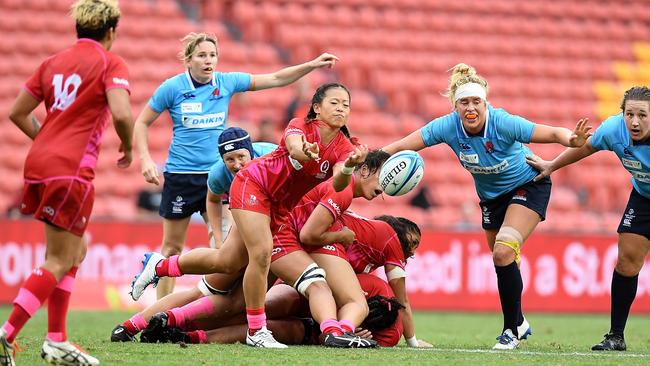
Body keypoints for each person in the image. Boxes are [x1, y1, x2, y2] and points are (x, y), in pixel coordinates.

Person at [130, 83, 368, 348]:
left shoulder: (346, 147)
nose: (340, 108)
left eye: (345, 105)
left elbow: (337, 183)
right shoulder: (300, 124)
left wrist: (348, 167)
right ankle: (257, 331)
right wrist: (305, 152)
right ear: (317, 108)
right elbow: (295, 147)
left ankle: (159, 265)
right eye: (334, 103)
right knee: (262, 253)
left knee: (226, 261)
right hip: (254, 184)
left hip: (279, 206)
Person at [382, 63, 592, 350]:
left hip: (529, 184)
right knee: (501, 257)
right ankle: (518, 320)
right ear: (456, 106)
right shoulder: (447, 126)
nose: (471, 108)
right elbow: (407, 144)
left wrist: (572, 139)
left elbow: (553, 133)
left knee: (504, 250)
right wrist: (373, 158)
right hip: (492, 199)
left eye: (476, 101)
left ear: (485, 103)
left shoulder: (503, 123)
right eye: (464, 102)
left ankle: (510, 332)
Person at [133, 31, 340, 300]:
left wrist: (310, 65)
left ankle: (207, 309)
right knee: (172, 247)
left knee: (223, 251)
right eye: (202, 56)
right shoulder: (172, 88)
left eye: (212, 55)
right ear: (188, 59)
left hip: (222, 174)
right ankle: (159, 309)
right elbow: (142, 122)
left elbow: (276, 78)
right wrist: (145, 158)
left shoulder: (226, 82)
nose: (209, 61)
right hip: (181, 176)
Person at [0, 1, 132, 365]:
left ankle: (57, 338)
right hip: (71, 168)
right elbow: (121, 112)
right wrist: (129, 145)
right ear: (110, 32)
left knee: (77, 249)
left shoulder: (52, 62)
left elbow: (17, 113)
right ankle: (6, 334)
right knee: (60, 258)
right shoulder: (110, 62)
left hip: (39, 164)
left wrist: (46, 141)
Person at [526, 86, 650, 352]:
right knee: (627, 261)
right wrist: (551, 165)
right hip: (644, 197)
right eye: (630, 114)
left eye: (642, 115)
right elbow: (586, 148)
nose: (635, 121)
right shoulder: (614, 129)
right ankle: (616, 336)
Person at [141, 274, 404, 347]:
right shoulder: (368, 286)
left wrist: (345, 336)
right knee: (258, 309)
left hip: (311, 330)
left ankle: (183, 335)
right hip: (304, 295)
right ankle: (173, 320)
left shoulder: (387, 336)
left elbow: (328, 339)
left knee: (274, 329)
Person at [206, 127, 277, 247]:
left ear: (251, 153)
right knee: (224, 254)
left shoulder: (273, 158)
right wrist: (218, 240)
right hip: (242, 205)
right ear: (223, 160)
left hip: (278, 203)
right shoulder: (218, 174)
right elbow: (212, 200)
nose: (237, 165)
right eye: (230, 159)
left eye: (241, 157)